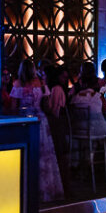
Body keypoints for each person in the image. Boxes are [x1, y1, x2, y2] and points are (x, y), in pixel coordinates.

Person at [6, 61, 63, 200]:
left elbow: (14, 107)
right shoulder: (41, 84)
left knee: (27, 154)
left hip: (24, 122)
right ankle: (46, 190)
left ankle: (26, 190)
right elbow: (47, 105)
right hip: (41, 121)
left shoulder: (18, 84)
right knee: (45, 155)